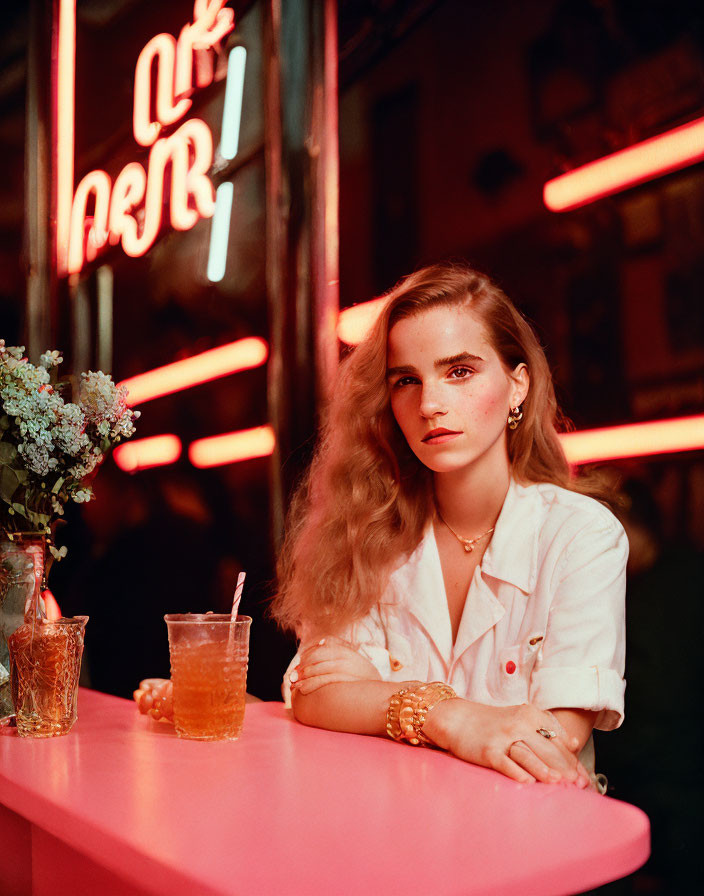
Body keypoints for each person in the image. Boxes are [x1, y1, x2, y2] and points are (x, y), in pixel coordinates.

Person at [270, 261, 627, 789]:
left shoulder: (581, 535)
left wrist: (379, 699)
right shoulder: (366, 530)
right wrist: (450, 717)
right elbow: (315, 694)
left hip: (532, 847)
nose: (430, 404)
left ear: (517, 385)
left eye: (459, 371)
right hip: (392, 838)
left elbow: (556, 738)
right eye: (407, 380)